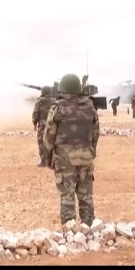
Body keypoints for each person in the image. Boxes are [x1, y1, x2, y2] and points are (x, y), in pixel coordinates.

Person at [44, 73, 100, 227]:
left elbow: (49, 134)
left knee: (67, 197)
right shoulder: (90, 107)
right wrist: (91, 152)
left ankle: (70, 232)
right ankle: (89, 229)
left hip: (65, 160)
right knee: (86, 196)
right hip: (86, 158)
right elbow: (95, 133)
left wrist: (48, 157)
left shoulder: (58, 107)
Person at [32, 86, 56, 167]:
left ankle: (43, 161)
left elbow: (35, 113)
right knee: (52, 141)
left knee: (41, 142)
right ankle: (52, 160)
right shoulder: (54, 101)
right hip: (52, 124)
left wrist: (35, 123)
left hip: (42, 125)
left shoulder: (39, 101)